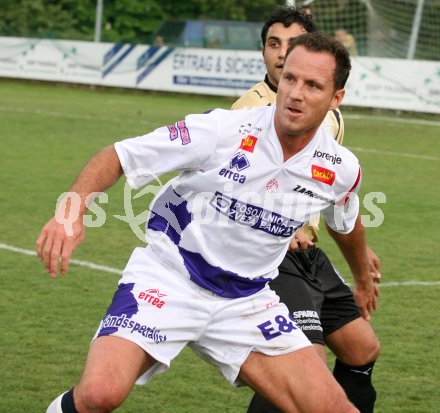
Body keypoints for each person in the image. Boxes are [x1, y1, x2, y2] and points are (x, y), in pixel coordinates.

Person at [36, 32, 375, 413]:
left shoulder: (340, 169)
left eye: (313, 85)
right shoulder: (222, 131)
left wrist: (362, 278)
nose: (295, 93)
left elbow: (345, 224)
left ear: (336, 99)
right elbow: (119, 156)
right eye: (291, 78)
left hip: (247, 301)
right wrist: (70, 213)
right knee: (99, 394)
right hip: (170, 279)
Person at [232, 7, 379, 413]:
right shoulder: (250, 111)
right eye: (273, 44)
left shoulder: (328, 114)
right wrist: (276, 222)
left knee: (362, 349)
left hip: (307, 252)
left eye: (291, 44)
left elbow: (330, 191)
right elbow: (233, 185)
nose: (281, 54)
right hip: (271, 256)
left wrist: (359, 252)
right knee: (303, 373)